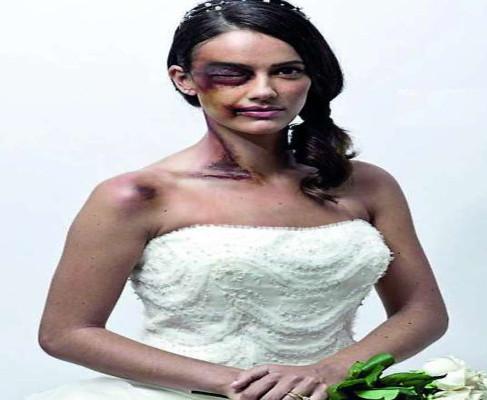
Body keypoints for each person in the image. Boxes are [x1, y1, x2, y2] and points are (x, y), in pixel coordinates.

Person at [26, 0, 449, 399]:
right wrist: (246, 386)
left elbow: (423, 311)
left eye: (286, 71)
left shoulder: (365, 184)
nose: (265, 91)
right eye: (234, 74)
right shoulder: (138, 195)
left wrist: (329, 372)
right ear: (183, 79)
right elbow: (66, 333)